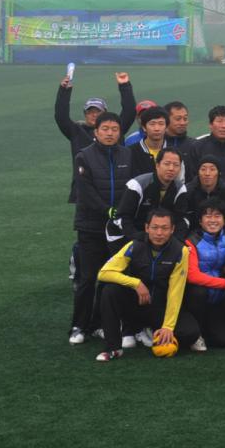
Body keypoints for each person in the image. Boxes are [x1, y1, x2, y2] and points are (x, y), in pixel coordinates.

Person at [94, 209, 200, 362]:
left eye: (164, 228)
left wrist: (168, 327)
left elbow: (175, 291)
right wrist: (136, 283)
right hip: (135, 303)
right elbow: (104, 272)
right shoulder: (134, 246)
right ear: (146, 228)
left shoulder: (180, 251)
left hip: (159, 307)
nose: (159, 233)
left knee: (190, 333)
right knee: (110, 290)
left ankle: (150, 330)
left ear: (172, 230)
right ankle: (113, 348)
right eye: (155, 227)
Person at [69, 111, 134, 344]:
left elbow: (131, 187)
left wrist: (122, 212)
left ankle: (99, 324)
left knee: (111, 278)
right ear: (96, 132)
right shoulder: (84, 156)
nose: (110, 133)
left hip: (117, 230)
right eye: (105, 129)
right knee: (87, 278)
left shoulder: (127, 153)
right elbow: (84, 191)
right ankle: (78, 326)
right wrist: (106, 209)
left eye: (114, 129)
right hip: (90, 226)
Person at [183, 200, 225, 349]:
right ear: (200, 221)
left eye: (217, 216)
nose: (212, 220)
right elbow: (192, 275)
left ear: (224, 220)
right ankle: (196, 333)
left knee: (224, 341)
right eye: (208, 216)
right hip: (196, 299)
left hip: (219, 300)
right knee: (198, 291)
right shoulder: (190, 241)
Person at [55, 70, 135, 158]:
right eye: (90, 112)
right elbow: (61, 116)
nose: (94, 115)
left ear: (105, 113)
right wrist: (64, 91)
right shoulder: (77, 131)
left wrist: (124, 86)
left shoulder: (115, 129)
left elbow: (129, 111)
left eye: (98, 111)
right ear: (85, 115)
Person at [120, 150, 188, 241]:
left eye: (176, 165)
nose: (171, 168)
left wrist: (175, 241)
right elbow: (122, 218)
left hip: (159, 238)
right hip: (125, 236)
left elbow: (181, 220)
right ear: (157, 165)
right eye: (167, 164)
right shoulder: (137, 185)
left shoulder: (180, 188)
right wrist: (141, 238)